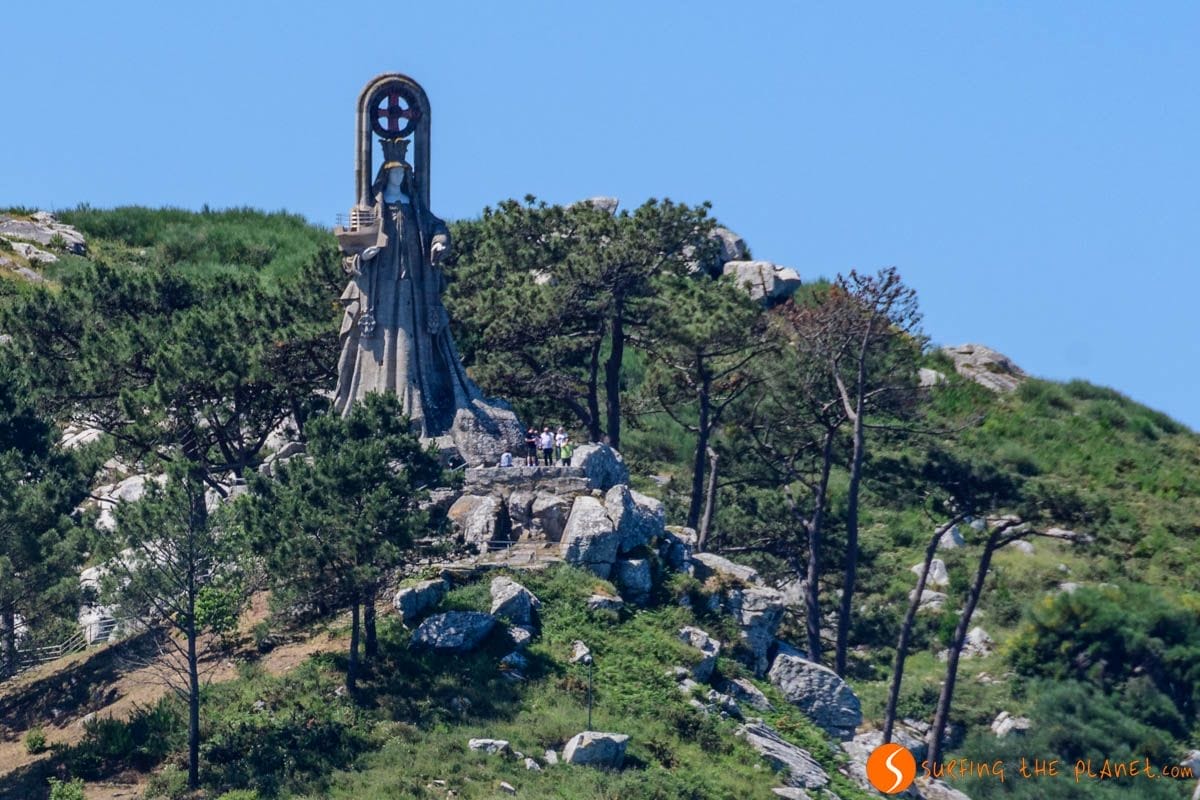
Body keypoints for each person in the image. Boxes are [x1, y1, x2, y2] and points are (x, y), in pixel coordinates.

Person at [333, 137, 471, 436]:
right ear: (384, 175)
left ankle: (417, 407)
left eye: (403, 172)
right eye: (394, 172)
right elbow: (349, 253)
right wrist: (363, 256)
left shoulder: (416, 208)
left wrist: (439, 243)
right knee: (380, 343)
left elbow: (439, 229)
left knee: (410, 343)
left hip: (413, 288)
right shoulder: (369, 209)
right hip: (380, 292)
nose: (399, 176)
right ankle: (375, 405)